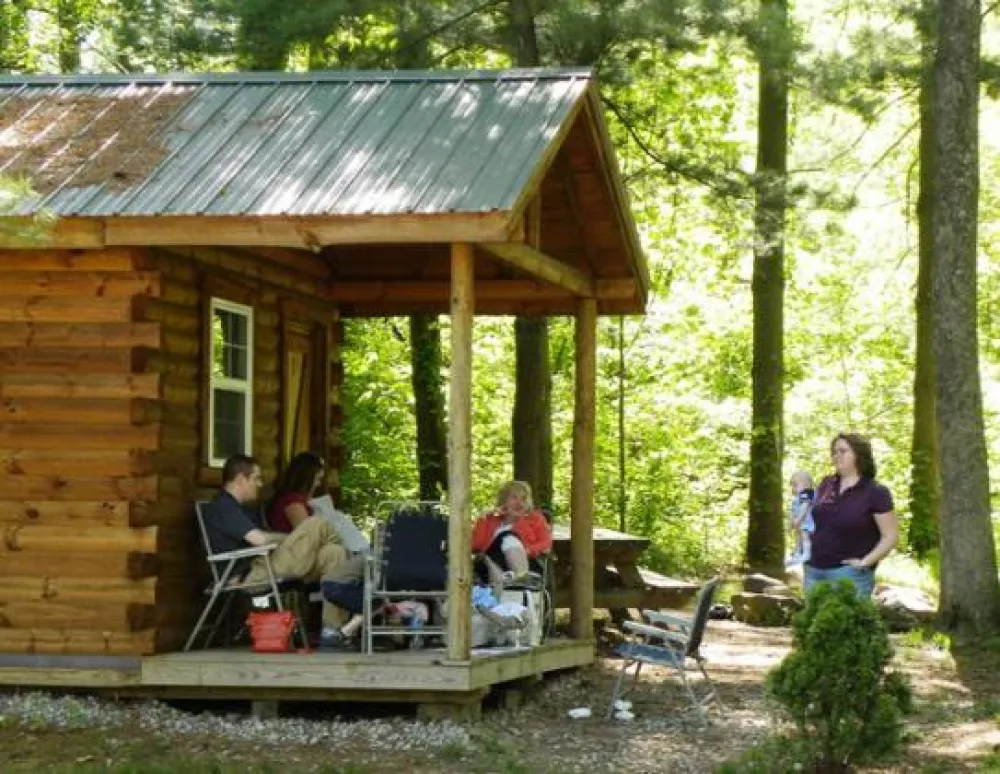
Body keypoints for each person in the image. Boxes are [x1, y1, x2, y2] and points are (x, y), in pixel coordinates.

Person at [202, 454, 364, 651]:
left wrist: (280, 540)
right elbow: (260, 539)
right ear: (240, 479)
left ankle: (332, 632)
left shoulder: (243, 508)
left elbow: (266, 537)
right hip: (251, 574)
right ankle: (356, 571)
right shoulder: (223, 507)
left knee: (334, 553)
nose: (260, 484)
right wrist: (287, 540)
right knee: (317, 524)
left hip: (268, 562)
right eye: (256, 478)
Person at [804, 433, 898, 599]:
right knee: (811, 624)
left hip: (849, 575)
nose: (836, 455)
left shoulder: (875, 492)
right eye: (834, 452)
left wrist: (865, 562)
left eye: (843, 451)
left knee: (847, 624)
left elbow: (890, 536)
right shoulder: (826, 484)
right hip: (813, 571)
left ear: (859, 455)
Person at [471, 480, 552, 587]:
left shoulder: (535, 519)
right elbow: (476, 546)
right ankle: (519, 581)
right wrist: (483, 519)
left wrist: (527, 550)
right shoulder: (490, 520)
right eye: (514, 498)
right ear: (503, 501)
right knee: (505, 538)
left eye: (523, 499)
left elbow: (546, 543)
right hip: (490, 566)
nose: (519, 503)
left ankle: (520, 578)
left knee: (510, 537)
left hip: (528, 562)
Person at [267, 451, 326, 533]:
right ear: (307, 478)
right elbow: (309, 535)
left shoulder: (297, 498)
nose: (319, 484)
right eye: (318, 479)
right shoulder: (293, 502)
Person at [785, 470, 815, 566]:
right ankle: (797, 553)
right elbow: (792, 510)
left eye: (795, 485)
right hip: (800, 523)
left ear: (806, 485)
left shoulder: (806, 493)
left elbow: (804, 507)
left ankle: (807, 553)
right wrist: (791, 521)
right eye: (792, 486)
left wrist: (798, 519)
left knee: (804, 535)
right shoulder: (797, 497)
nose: (793, 488)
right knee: (798, 537)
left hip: (806, 522)